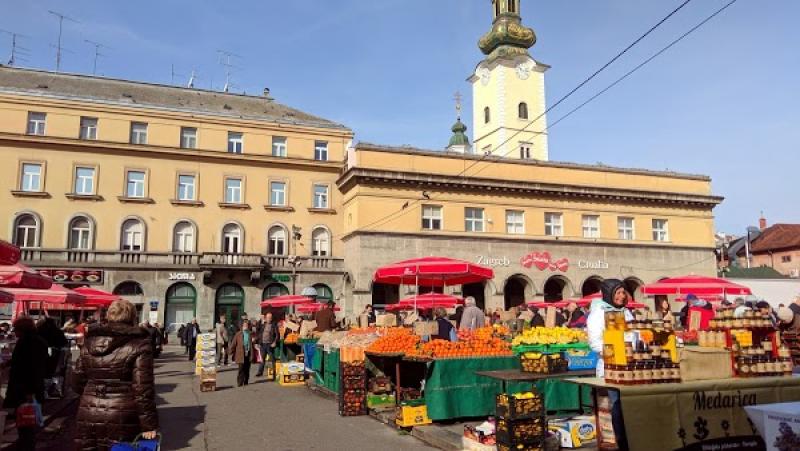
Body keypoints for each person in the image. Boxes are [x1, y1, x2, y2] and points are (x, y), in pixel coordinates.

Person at [73, 300, 158, 450]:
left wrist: (92, 393)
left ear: (109, 315)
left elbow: (77, 379)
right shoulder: (140, 344)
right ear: (133, 317)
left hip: (89, 411)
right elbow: (143, 390)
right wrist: (149, 425)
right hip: (123, 414)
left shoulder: (89, 342)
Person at [587, 279, 633, 451]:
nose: (622, 296)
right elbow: (594, 343)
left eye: (623, 292)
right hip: (610, 366)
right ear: (609, 294)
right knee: (617, 406)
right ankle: (620, 443)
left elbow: (632, 334)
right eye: (618, 293)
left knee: (628, 406)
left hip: (628, 366)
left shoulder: (626, 312)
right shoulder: (598, 313)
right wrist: (614, 352)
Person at [3, 317, 48, 451]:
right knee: (26, 420)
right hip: (30, 387)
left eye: (16, 329)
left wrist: (29, 391)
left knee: (25, 420)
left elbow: (30, 367)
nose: (14, 332)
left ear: (22, 329)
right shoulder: (37, 341)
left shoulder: (27, 343)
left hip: (24, 388)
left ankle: (26, 446)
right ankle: (26, 445)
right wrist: (8, 363)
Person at [229, 320, 257, 386]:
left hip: (249, 353)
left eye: (246, 325)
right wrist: (230, 351)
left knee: (247, 368)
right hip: (240, 353)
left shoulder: (251, 333)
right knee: (241, 369)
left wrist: (254, 340)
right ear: (242, 326)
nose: (245, 327)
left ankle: (246, 381)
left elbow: (256, 339)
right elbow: (234, 343)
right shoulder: (238, 334)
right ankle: (240, 382)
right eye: (244, 325)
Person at [255, 313, 280, 377]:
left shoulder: (274, 325)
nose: (269, 319)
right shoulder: (263, 324)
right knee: (262, 359)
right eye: (268, 317)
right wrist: (257, 342)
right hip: (262, 344)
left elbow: (277, 335)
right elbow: (258, 331)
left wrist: (274, 342)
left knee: (272, 359)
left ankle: (274, 373)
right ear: (266, 318)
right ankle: (260, 372)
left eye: (270, 317)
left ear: (271, 318)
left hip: (270, 344)